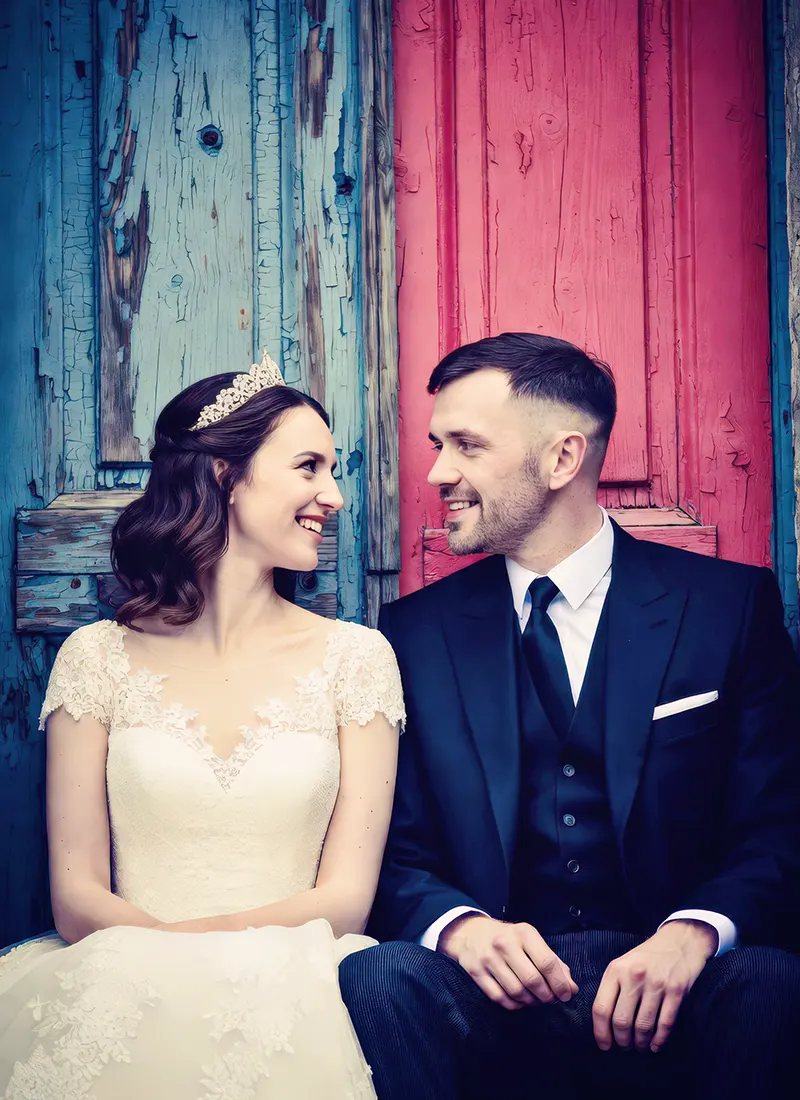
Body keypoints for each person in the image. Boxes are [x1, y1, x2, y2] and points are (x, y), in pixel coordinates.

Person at [339, 332, 800, 1100]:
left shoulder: (727, 608)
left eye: (466, 445)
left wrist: (696, 931)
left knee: (773, 983)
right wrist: (461, 928)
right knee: (383, 976)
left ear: (562, 459)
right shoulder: (414, 634)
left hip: (680, 988)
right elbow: (393, 848)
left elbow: (781, 824)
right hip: (495, 998)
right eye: (436, 445)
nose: (437, 473)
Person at [0, 352, 404, 1099]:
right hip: (114, 984)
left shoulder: (357, 660)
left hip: (298, 994)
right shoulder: (97, 660)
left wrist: (199, 960)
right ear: (224, 474)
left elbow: (346, 897)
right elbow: (77, 892)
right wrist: (166, 966)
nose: (335, 496)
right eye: (309, 467)